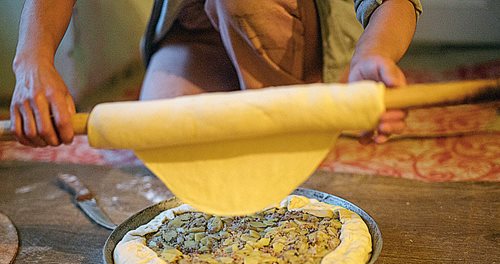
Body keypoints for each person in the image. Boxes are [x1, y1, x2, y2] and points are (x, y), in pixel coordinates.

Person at [10, 0, 422, 148]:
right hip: (197, 27)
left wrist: (371, 56)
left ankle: (296, 105)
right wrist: (32, 62)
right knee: (162, 135)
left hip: (288, 23)